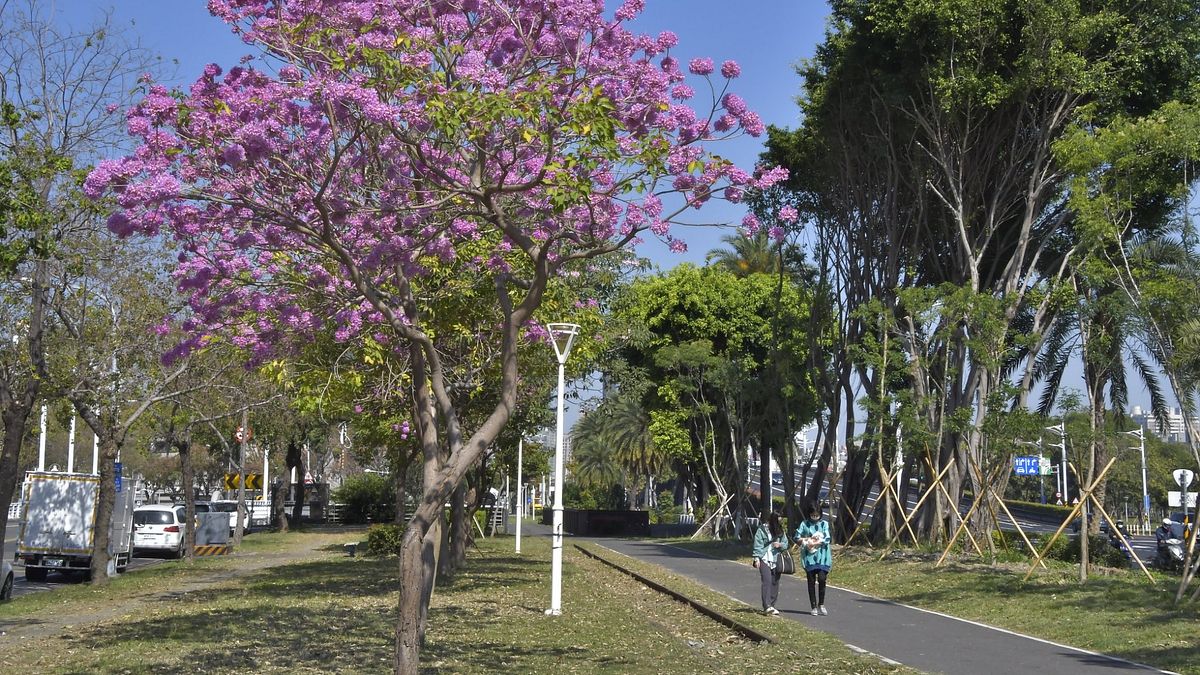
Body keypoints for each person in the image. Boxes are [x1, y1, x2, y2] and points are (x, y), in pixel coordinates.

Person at [795, 503, 832, 616]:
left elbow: (827, 538)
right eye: (812, 515)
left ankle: (821, 603)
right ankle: (813, 606)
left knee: (822, 578)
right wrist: (807, 540)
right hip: (809, 557)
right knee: (811, 581)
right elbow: (796, 537)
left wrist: (816, 543)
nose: (815, 518)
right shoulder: (804, 524)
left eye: (817, 515)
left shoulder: (824, 524)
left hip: (823, 557)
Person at [751, 511, 789, 616]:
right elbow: (757, 544)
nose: (779, 522)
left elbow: (786, 544)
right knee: (766, 581)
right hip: (764, 558)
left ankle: (772, 605)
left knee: (775, 582)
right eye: (778, 520)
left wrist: (780, 545)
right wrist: (756, 558)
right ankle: (767, 606)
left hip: (776, 559)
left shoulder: (780, 530)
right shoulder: (762, 529)